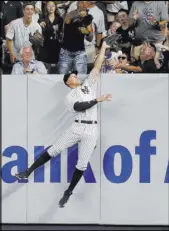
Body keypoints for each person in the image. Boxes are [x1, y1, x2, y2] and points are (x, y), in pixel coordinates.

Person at [15, 40, 111, 208]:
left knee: (81, 164)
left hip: (91, 129)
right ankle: (27, 172)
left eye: (75, 74)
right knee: (54, 149)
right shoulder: (70, 97)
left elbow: (97, 66)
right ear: (68, 82)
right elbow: (79, 107)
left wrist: (102, 48)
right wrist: (98, 99)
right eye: (73, 75)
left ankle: (68, 192)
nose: (75, 76)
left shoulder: (88, 85)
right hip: (77, 126)